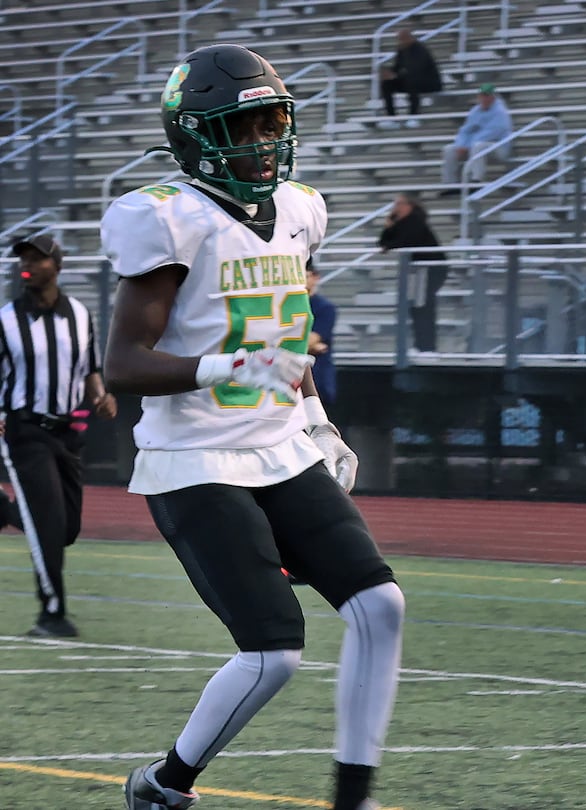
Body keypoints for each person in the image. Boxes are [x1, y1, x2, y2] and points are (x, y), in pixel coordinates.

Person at [100, 44, 403, 810]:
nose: (265, 141)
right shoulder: (170, 220)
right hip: (194, 456)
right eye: (245, 126)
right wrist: (216, 367)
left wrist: (318, 422)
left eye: (274, 122)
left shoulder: (300, 209)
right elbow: (126, 364)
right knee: (273, 652)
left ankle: (352, 796)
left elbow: (285, 338)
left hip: (278, 444)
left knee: (381, 606)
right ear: (198, 135)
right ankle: (166, 785)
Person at [1, 233, 117, 638]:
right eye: (23, 259)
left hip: (68, 433)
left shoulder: (81, 316)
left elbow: (91, 371)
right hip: (25, 429)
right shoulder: (6, 319)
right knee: (48, 524)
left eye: (37, 258)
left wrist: (102, 398)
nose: (27, 264)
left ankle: (4, 511)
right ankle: (51, 614)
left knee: (65, 528)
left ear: (58, 266)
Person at [377, 191, 448, 352]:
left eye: (399, 204)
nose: (395, 208)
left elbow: (403, 242)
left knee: (423, 307)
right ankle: (421, 345)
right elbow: (383, 242)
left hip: (429, 269)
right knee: (416, 307)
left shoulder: (415, 221)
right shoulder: (402, 223)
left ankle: (427, 346)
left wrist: (389, 242)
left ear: (409, 206)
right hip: (417, 271)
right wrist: (388, 226)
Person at [440, 83, 512, 190]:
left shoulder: (500, 112)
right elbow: (465, 130)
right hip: (473, 145)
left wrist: (467, 146)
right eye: (482, 96)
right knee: (449, 149)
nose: (484, 98)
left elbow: (492, 133)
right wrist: (461, 145)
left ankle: (476, 179)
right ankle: (450, 184)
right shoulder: (475, 111)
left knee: (479, 146)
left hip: (498, 147)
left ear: (493, 97)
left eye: (487, 96)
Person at [377, 28, 442, 124]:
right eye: (399, 39)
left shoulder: (420, 49)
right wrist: (388, 73)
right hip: (409, 81)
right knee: (387, 84)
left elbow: (417, 69)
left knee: (412, 80)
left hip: (428, 82)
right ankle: (391, 117)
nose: (401, 41)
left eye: (403, 38)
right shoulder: (401, 50)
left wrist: (397, 75)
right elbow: (397, 67)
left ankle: (413, 116)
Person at [306, 260, 338, 405]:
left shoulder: (324, 307)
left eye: (305, 276)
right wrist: (311, 348)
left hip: (317, 379)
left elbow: (310, 340)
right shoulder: (285, 305)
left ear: (315, 277)